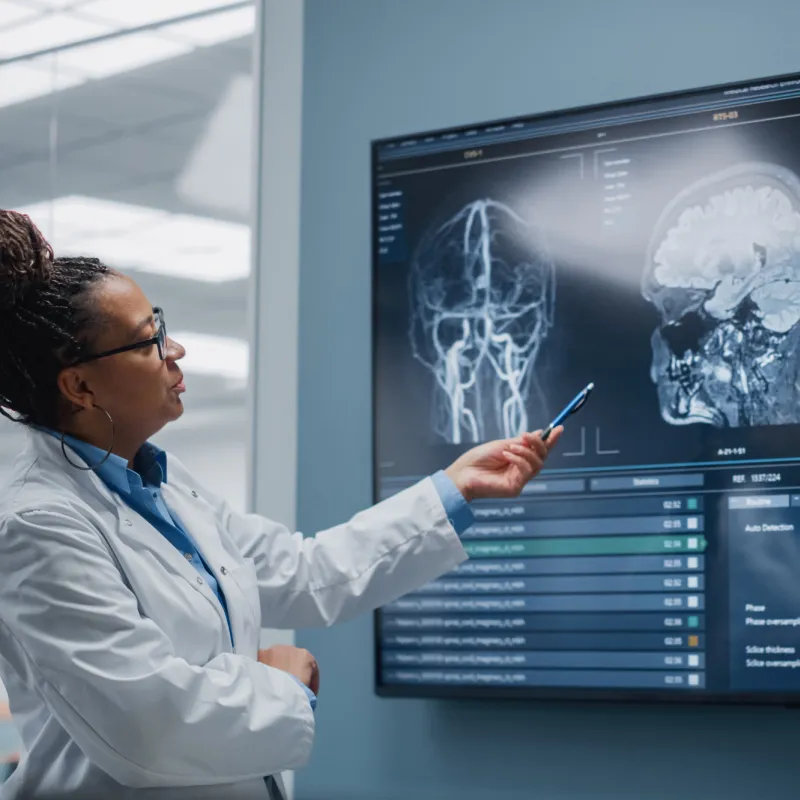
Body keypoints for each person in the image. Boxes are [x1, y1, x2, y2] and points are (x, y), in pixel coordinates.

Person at [0, 210, 562, 800]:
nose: (178, 350)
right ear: (80, 387)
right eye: (150, 339)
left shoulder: (163, 485)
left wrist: (455, 487)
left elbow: (306, 571)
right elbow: (150, 725)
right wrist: (281, 685)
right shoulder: (39, 525)